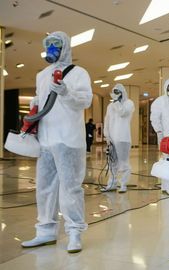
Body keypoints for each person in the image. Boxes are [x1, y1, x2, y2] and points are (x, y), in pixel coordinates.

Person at [21, 31, 92, 253]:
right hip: (46, 139)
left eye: (56, 44)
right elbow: (41, 103)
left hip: (69, 139)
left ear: (66, 46)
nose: (52, 48)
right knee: (44, 187)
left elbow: (85, 100)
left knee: (70, 188)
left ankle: (74, 233)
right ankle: (45, 232)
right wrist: (33, 111)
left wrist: (66, 92)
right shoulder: (41, 75)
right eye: (48, 44)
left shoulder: (79, 73)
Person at [102, 84, 134, 193]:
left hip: (123, 138)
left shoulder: (129, 103)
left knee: (123, 162)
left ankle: (123, 184)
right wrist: (107, 135)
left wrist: (116, 102)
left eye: (117, 92)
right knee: (112, 162)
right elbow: (107, 120)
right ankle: (112, 184)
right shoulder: (110, 106)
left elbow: (122, 113)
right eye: (114, 92)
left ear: (122, 92)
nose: (115, 94)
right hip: (112, 138)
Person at [150, 79, 169, 195]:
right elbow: (155, 118)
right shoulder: (160, 101)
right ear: (166, 88)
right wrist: (159, 132)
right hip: (164, 137)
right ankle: (166, 186)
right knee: (167, 161)